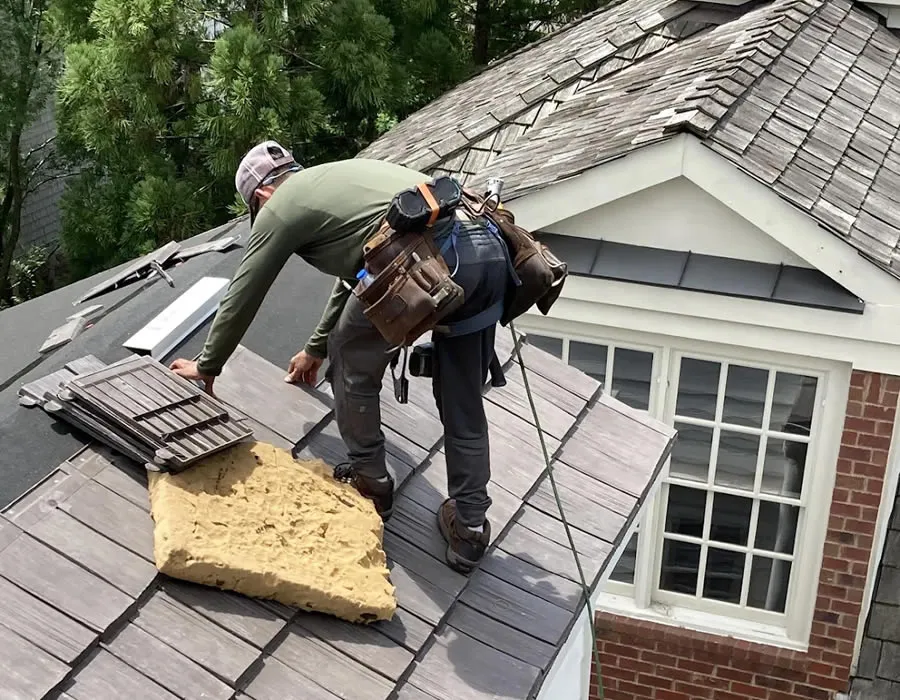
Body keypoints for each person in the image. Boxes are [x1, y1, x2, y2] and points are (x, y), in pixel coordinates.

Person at [169, 141, 509, 573]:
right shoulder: (337, 179)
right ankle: (470, 529)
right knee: (463, 402)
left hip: (429, 261)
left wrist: (207, 365)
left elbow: (245, 290)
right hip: (485, 249)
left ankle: (371, 481)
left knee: (349, 359)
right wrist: (313, 346)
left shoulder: (280, 207)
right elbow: (360, 273)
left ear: (260, 196)